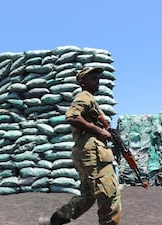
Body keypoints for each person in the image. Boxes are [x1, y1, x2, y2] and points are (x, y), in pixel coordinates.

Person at [39, 67, 122, 225]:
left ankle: (55, 221)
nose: (97, 80)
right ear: (82, 82)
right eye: (92, 78)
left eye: (98, 77)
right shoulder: (84, 97)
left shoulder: (90, 99)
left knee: (88, 196)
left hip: (90, 152)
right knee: (109, 195)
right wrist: (99, 130)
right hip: (93, 153)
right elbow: (72, 117)